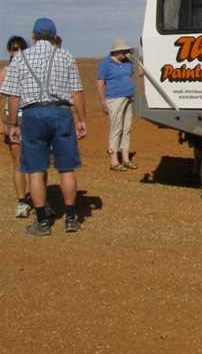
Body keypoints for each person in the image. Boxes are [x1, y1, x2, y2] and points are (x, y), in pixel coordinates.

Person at [0, 18, 87, 236]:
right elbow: (77, 92)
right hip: (61, 113)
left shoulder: (20, 58)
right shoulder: (66, 55)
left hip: (32, 115)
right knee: (66, 168)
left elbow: (13, 95)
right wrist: (82, 119)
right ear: (55, 36)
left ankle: (41, 222)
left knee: (36, 169)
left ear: (33, 36)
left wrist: (12, 124)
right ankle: (70, 217)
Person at [96, 39, 135, 171]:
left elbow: (140, 72)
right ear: (117, 51)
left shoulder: (127, 63)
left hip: (128, 98)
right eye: (124, 51)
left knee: (127, 128)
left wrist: (133, 58)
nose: (126, 53)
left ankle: (125, 159)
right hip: (114, 98)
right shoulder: (106, 63)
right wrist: (102, 101)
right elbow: (100, 82)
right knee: (116, 128)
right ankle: (114, 160)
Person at [2, 36, 30, 217]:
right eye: (13, 48)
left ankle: (39, 199)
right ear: (9, 51)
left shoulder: (30, 69)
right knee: (18, 160)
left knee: (37, 161)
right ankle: (22, 201)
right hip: (13, 120)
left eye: (20, 48)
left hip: (32, 118)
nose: (17, 51)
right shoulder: (4, 72)